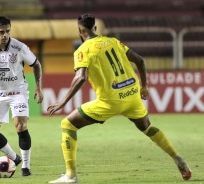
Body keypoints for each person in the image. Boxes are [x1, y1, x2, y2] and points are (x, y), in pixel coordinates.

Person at [47, 13, 191, 183]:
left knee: (68, 124)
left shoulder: (82, 50)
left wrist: (63, 101)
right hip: (132, 95)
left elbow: (80, 77)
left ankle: (70, 176)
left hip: (110, 102)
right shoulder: (114, 42)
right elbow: (140, 61)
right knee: (147, 127)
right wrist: (144, 86)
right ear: (95, 28)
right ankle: (177, 158)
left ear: (79, 31)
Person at [0, 16, 43, 177]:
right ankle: (15, 158)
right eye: (1, 32)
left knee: (20, 125)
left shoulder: (19, 47)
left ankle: (26, 167)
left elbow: (36, 64)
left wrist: (38, 87)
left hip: (18, 91)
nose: (5, 35)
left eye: (7, 31)